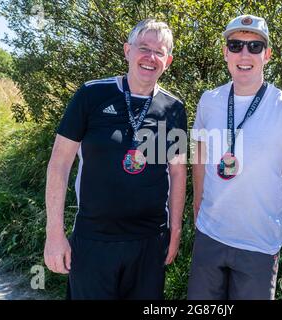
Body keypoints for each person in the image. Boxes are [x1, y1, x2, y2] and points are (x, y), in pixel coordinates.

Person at [188, 14, 282, 300]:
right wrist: (197, 208)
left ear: (267, 55)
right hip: (209, 239)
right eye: (236, 45)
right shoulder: (210, 100)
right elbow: (200, 156)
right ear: (225, 52)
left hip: (259, 248)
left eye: (254, 47)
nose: (245, 54)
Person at [44, 19, 187, 300]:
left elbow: (178, 173)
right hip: (94, 239)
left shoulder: (174, 108)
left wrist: (176, 231)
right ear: (127, 51)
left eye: (159, 52)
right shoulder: (92, 94)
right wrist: (54, 234)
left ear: (168, 61)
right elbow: (59, 164)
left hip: (149, 240)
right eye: (143, 48)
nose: (150, 57)